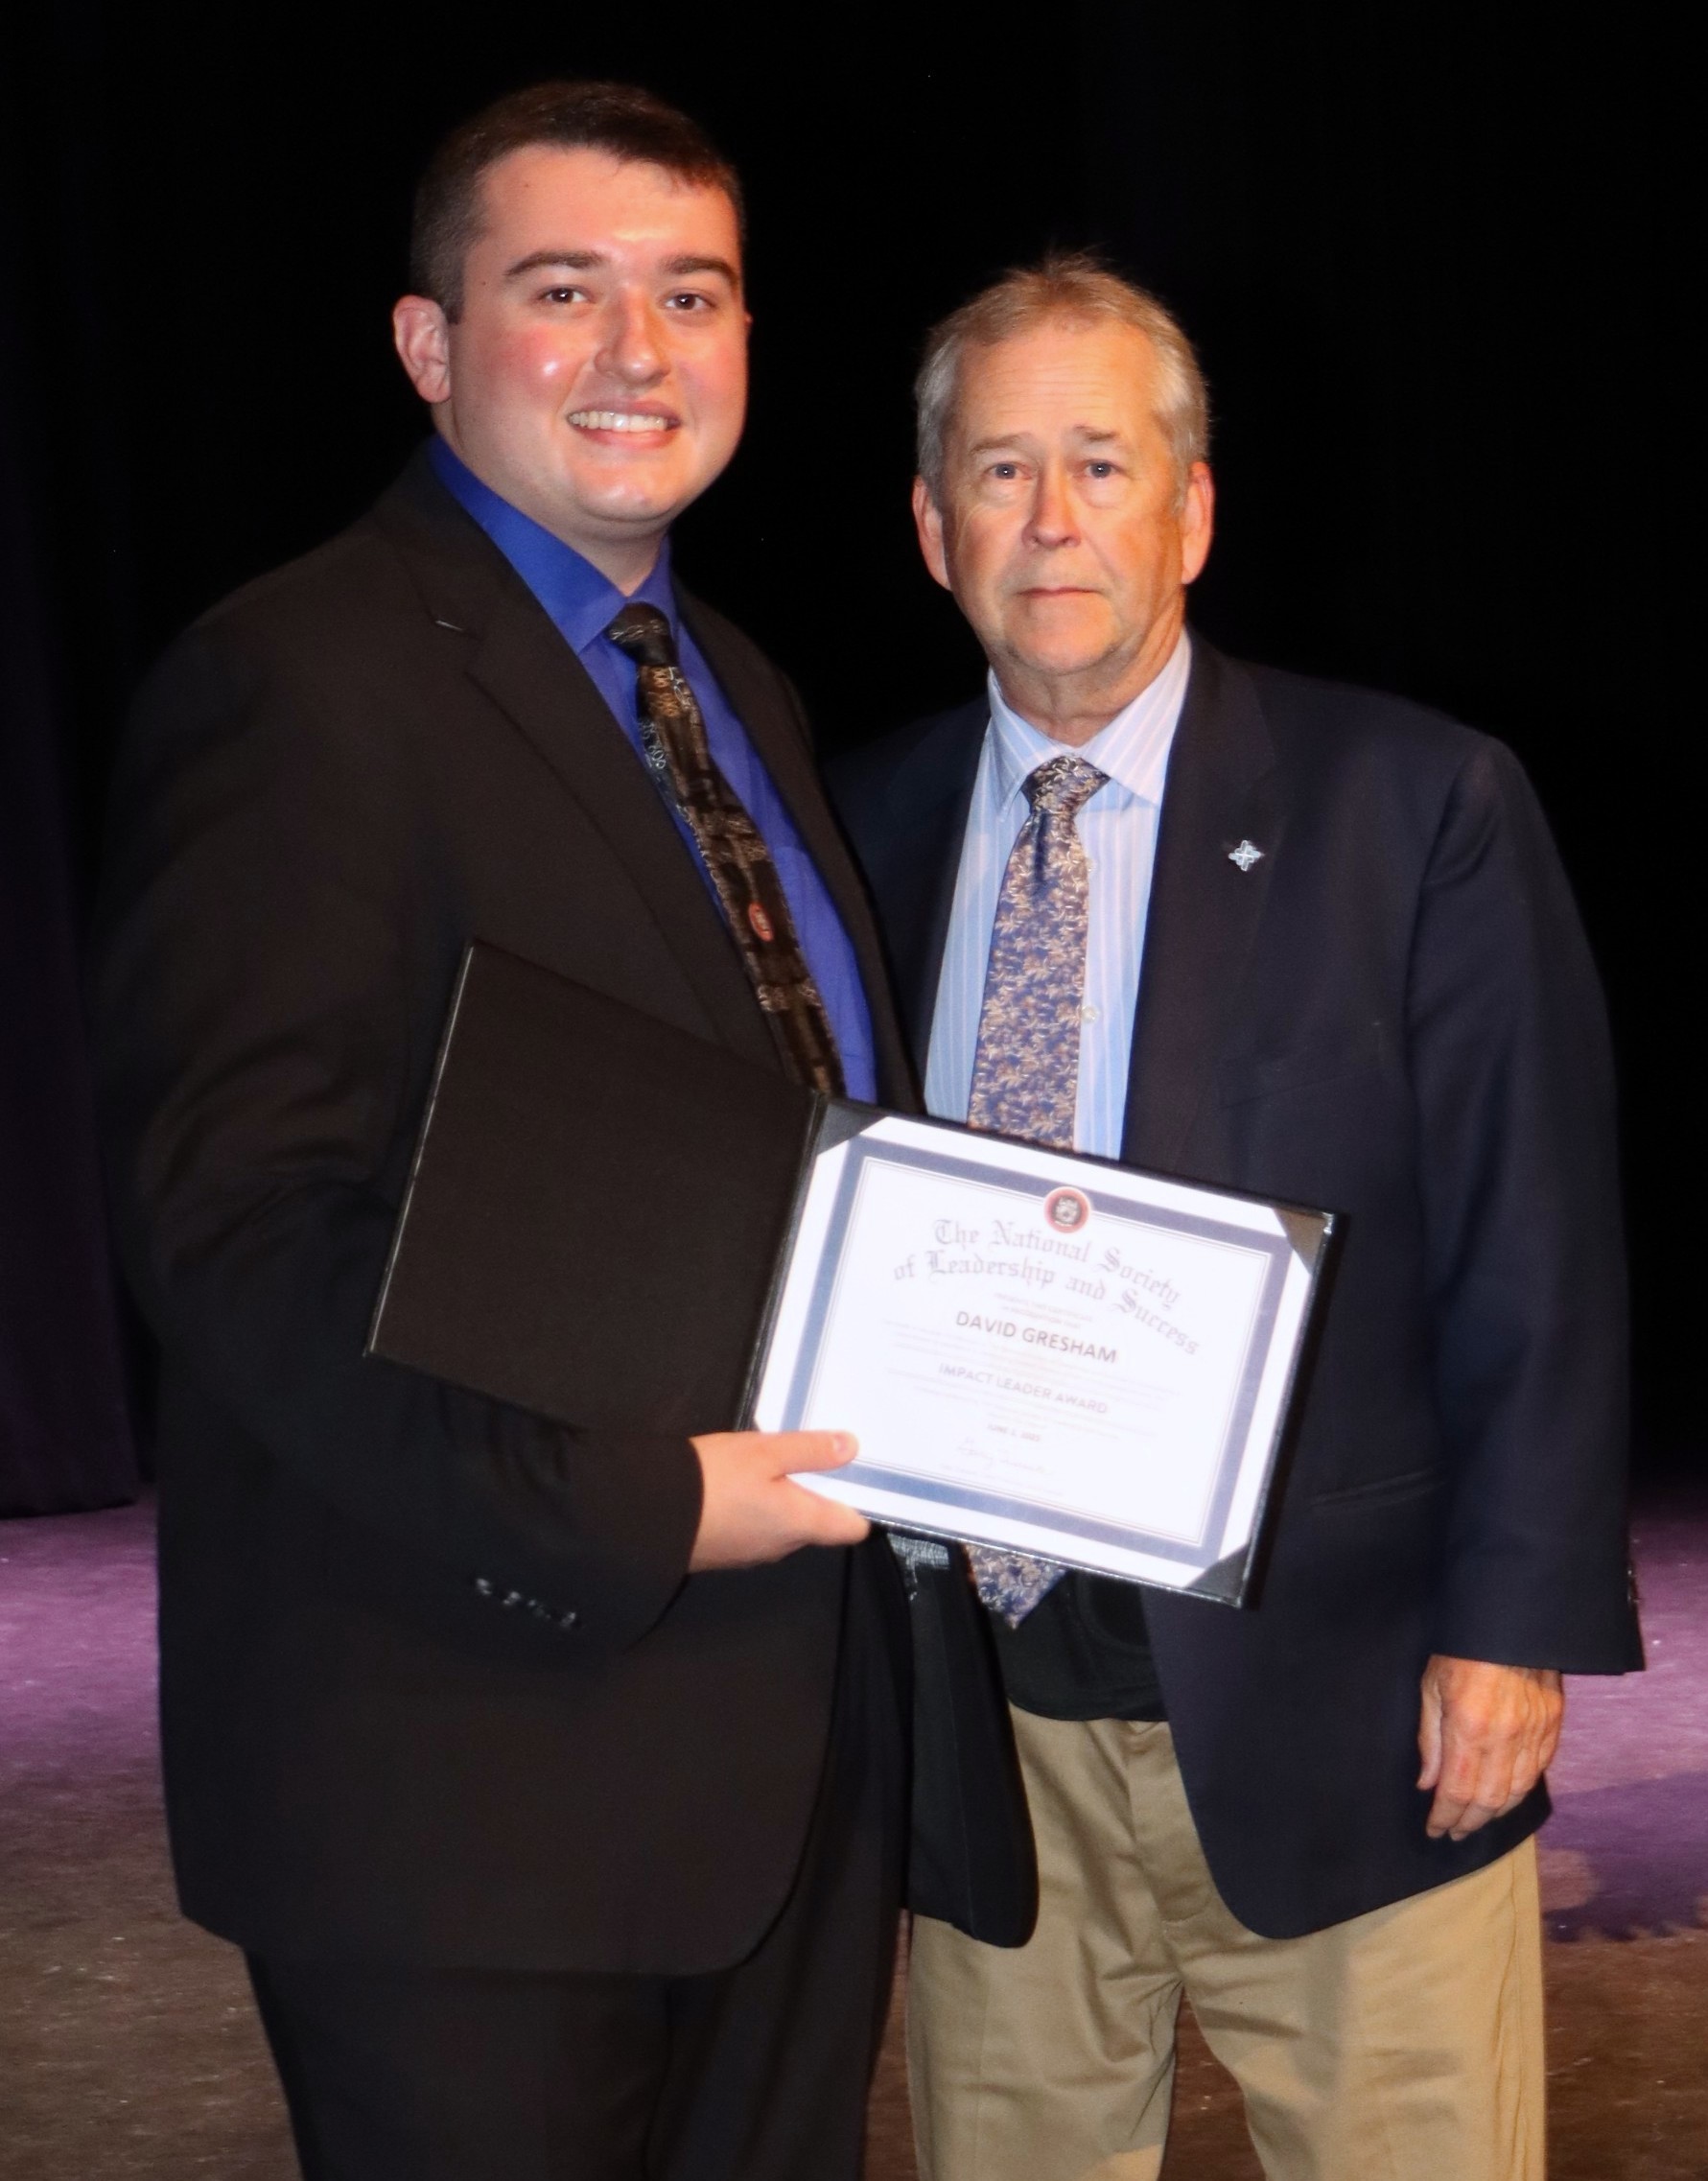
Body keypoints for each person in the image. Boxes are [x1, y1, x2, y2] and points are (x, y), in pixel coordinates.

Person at [93, 82, 914, 2181]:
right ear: (427, 343)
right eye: (564, 291)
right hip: (461, 1796)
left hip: (784, 1774)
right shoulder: (301, 681)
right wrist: (635, 1510)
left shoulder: (737, 687)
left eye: (692, 295)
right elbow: (241, 1236)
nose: (639, 350)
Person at [831, 253, 1642, 2181]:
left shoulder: (1415, 806)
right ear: (934, 528)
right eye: (1001, 470)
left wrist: (1511, 1629)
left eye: (1102, 463)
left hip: (1348, 1717)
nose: (1052, 518)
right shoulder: (853, 825)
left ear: (1191, 511)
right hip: (990, 1739)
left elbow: (1534, 1246)